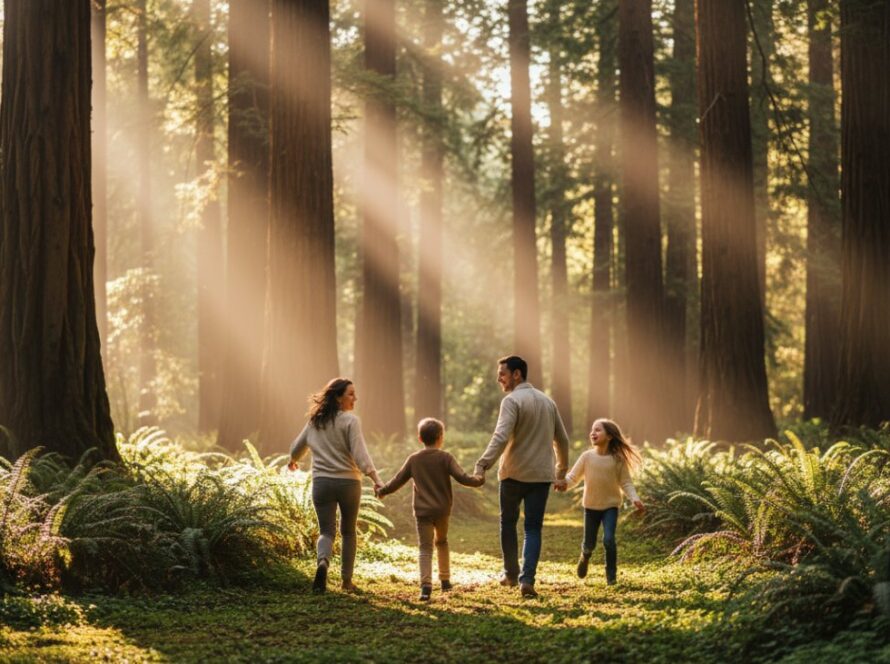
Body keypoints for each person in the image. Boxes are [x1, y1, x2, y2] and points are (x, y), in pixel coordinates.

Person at [473, 355, 570, 598]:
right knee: (533, 528)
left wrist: (482, 464)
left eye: (502, 374)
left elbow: (501, 436)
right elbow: (563, 440)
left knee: (508, 523)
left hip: (513, 474)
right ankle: (527, 580)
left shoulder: (512, 400)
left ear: (517, 374)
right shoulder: (548, 402)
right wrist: (560, 471)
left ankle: (510, 574)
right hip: (541, 475)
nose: (499, 379)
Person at [288, 377, 383, 594]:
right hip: (349, 483)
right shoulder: (351, 421)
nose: (355, 398)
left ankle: (323, 562)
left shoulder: (315, 422)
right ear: (338, 398)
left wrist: (293, 460)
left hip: (322, 483)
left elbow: (297, 447)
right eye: (350, 394)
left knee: (326, 531)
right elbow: (361, 455)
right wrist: (376, 479)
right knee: (348, 531)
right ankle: (346, 581)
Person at [376, 418, 484, 601]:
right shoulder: (446, 458)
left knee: (425, 548)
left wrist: (382, 491)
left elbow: (397, 480)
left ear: (420, 438)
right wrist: (479, 478)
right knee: (442, 542)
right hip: (442, 510)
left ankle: (425, 587)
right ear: (441, 437)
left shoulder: (414, 459)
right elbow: (463, 478)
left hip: (422, 512)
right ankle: (445, 581)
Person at [557, 418, 644, 586]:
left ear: (610, 436)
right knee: (589, 544)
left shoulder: (618, 460)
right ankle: (585, 555)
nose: (593, 433)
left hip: (610, 506)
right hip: (590, 507)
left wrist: (635, 499)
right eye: (592, 430)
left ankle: (611, 576)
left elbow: (626, 483)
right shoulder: (587, 457)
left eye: (598, 430)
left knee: (609, 539)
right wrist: (563, 484)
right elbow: (573, 477)